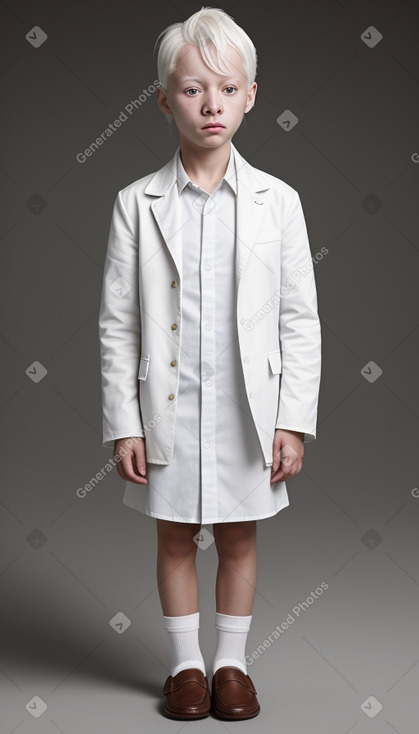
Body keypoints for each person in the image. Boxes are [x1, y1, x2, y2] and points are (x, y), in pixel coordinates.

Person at [98, 5, 321, 721]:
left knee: (237, 534)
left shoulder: (276, 203)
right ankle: (184, 667)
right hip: (168, 401)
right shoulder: (136, 204)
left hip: (246, 405)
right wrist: (123, 423)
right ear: (165, 99)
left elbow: (297, 319)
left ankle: (231, 664)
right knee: (172, 536)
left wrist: (293, 419)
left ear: (251, 94)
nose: (210, 104)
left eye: (226, 88)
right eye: (192, 89)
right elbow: (118, 323)